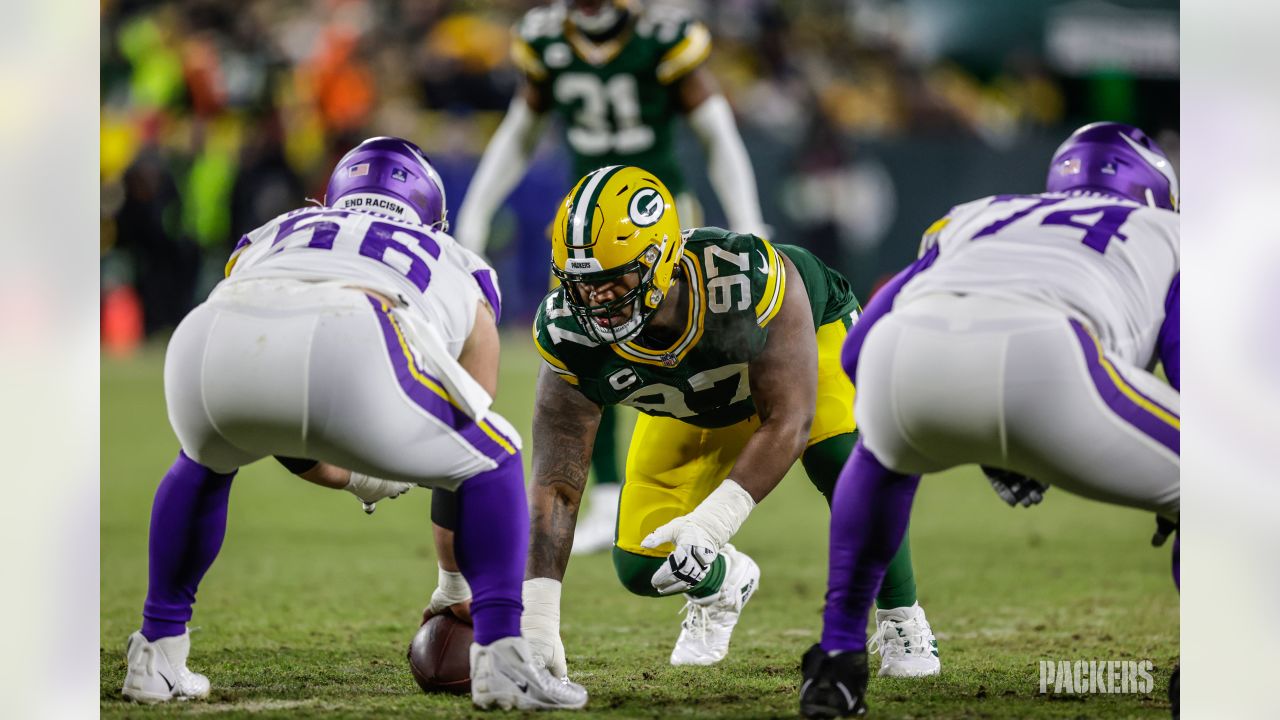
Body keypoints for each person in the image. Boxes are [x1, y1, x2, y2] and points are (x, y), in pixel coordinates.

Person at [119, 137, 588, 711]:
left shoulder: (280, 227)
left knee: (204, 460)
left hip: (207, 335)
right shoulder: (454, 257)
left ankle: (156, 654)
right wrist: (401, 491)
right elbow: (471, 417)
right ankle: (501, 656)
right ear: (429, 212)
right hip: (354, 329)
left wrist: (356, 474)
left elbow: (278, 399)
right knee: (497, 451)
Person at [799, 122, 1180, 717]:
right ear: (1156, 191)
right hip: (1053, 356)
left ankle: (838, 662)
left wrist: (965, 431)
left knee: (882, 456)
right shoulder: (1169, 231)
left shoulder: (976, 213)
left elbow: (856, 350)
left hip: (906, 349)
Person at [512, 164, 939, 675]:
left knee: (838, 456)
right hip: (692, 397)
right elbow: (556, 485)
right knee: (641, 560)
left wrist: (713, 523)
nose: (595, 300)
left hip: (802, 355)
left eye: (610, 279)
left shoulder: (741, 279)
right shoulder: (568, 332)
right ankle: (723, 586)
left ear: (661, 259)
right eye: (580, 284)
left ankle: (901, 618)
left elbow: (789, 420)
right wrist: (537, 621)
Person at [454, 0, 768, 555]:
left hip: (662, 221)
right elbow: (517, 134)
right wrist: (475, 214)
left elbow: (718, 136)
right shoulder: (546, 41)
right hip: (585, 229)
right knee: (580, 350)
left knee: (685, 352)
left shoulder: (664, 38)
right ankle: (602, 493)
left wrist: (747, 222)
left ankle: (701, 483)